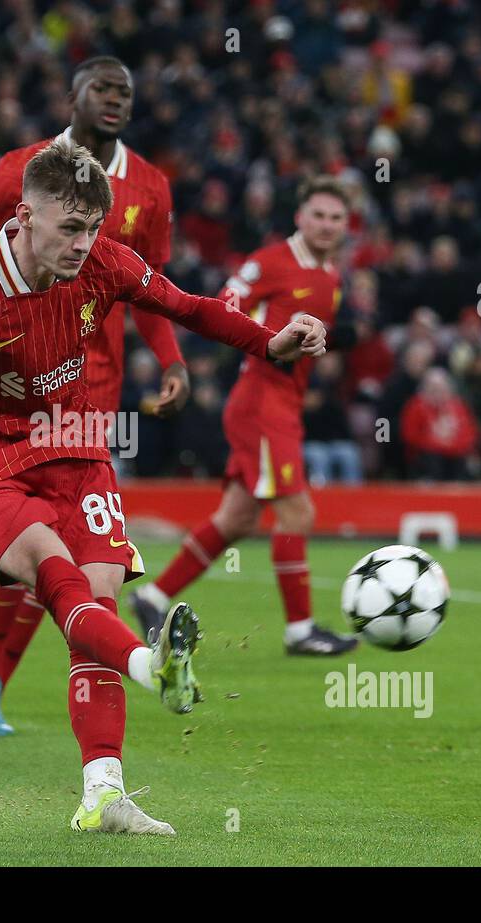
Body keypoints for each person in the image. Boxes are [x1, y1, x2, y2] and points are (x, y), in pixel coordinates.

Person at [0, 141, 326, 834]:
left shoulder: (107, 260)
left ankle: (105, 795)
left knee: (98, 600)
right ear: (24, 215)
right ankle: (152, 670)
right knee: (61, 582)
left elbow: (189, 307)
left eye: (92, 229)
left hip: (77, 450)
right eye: (69, 228)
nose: (83, 244)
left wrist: (271, 343)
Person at [0, 55, 190, 737]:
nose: (115, 100)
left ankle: (46, 704)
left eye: (126, 90)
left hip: (91, 388)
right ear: (73, 97)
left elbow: (148, 288)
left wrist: (171, 359)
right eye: (102, 89)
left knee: (70, 558)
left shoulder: (149, 186)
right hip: (8, 385)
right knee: (32, 548)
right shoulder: (18, 169)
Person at [130, 177, 359, 656]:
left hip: (284, 403)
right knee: (298, 512)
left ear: (345, 225)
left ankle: (152, 596)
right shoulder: (268, 263)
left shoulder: (331, 275)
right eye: (318, 214)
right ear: (299, 217)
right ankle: (300, 631)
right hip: (261, 401)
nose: (326, 224)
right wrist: (272, 337)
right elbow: (225, 306)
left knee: (236, 517)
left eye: (336, 218)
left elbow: (320, 336)